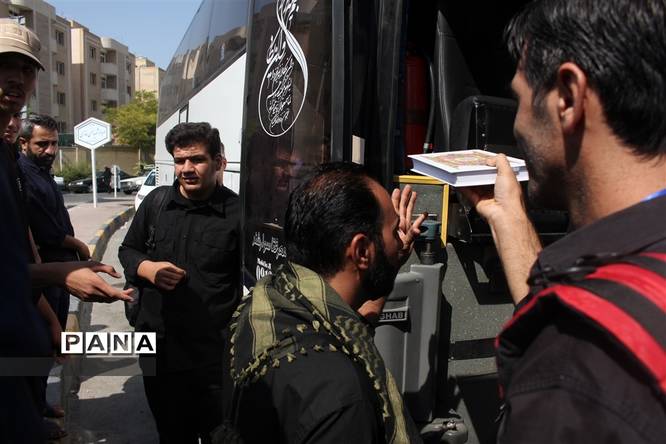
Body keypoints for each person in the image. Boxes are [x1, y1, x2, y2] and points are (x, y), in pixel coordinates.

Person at [461, 1, 666, 442]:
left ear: (568, 97)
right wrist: (511, 222)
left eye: (518, 99)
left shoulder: (575, 365)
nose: (517, 125)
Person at [228, 162, 426, 443]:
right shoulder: (343, 397)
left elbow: (353, 326)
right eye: (394, 232)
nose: (400, 241)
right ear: (361, 251)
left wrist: (388, 259)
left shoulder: (263, 306)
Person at [119, 122, 241, 443]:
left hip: (212, 358)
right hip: (157, 350)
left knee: (220, 434)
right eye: (179, 160)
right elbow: (127, 250)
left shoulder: (238, 213)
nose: (187, 168)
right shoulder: (156, 203)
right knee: (171, 434)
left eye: (197, 159)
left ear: (219, 162)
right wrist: (148, 268)